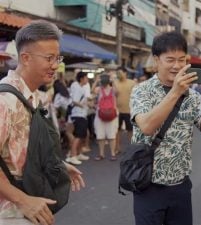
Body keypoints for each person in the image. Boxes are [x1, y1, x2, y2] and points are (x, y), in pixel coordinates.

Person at [130, 31, 201, 225]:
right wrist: (175, 92)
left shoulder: (193, 96)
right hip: (148, 185)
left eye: (182, 60)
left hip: (181, 186)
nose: (177, 66)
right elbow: (147, 126)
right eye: (170, 59)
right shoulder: (141, 90)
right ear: (156, 60)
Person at [0, 20, 85, 225]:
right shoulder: (5, 101)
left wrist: (59, 165)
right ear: (26, 58)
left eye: (58, 57)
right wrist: (23, 200)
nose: (56, 65)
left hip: (30, 208)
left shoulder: (31, 96)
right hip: (10, 213)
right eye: (49, 58)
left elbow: (21, 151)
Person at [92, 74, 118, 161]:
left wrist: (96, 80)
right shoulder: (111, 90)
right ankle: (112, 154)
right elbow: (117, 91)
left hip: (101, 115)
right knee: (110, 135)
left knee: (101, 135)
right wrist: (113, 81)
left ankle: (102, 154)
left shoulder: (100, 90)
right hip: (110, 114)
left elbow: (92, 90)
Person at [113, 66, 136, 155]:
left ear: (125, 73)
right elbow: (114, 94)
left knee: (130, 130)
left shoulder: (132, 83)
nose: (118, 75)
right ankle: (117, 147)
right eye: (117, 73)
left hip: (129, 111)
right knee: (117, 130)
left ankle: (131, 148)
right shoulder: (115, 82)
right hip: (117, 111)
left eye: (120, 73)